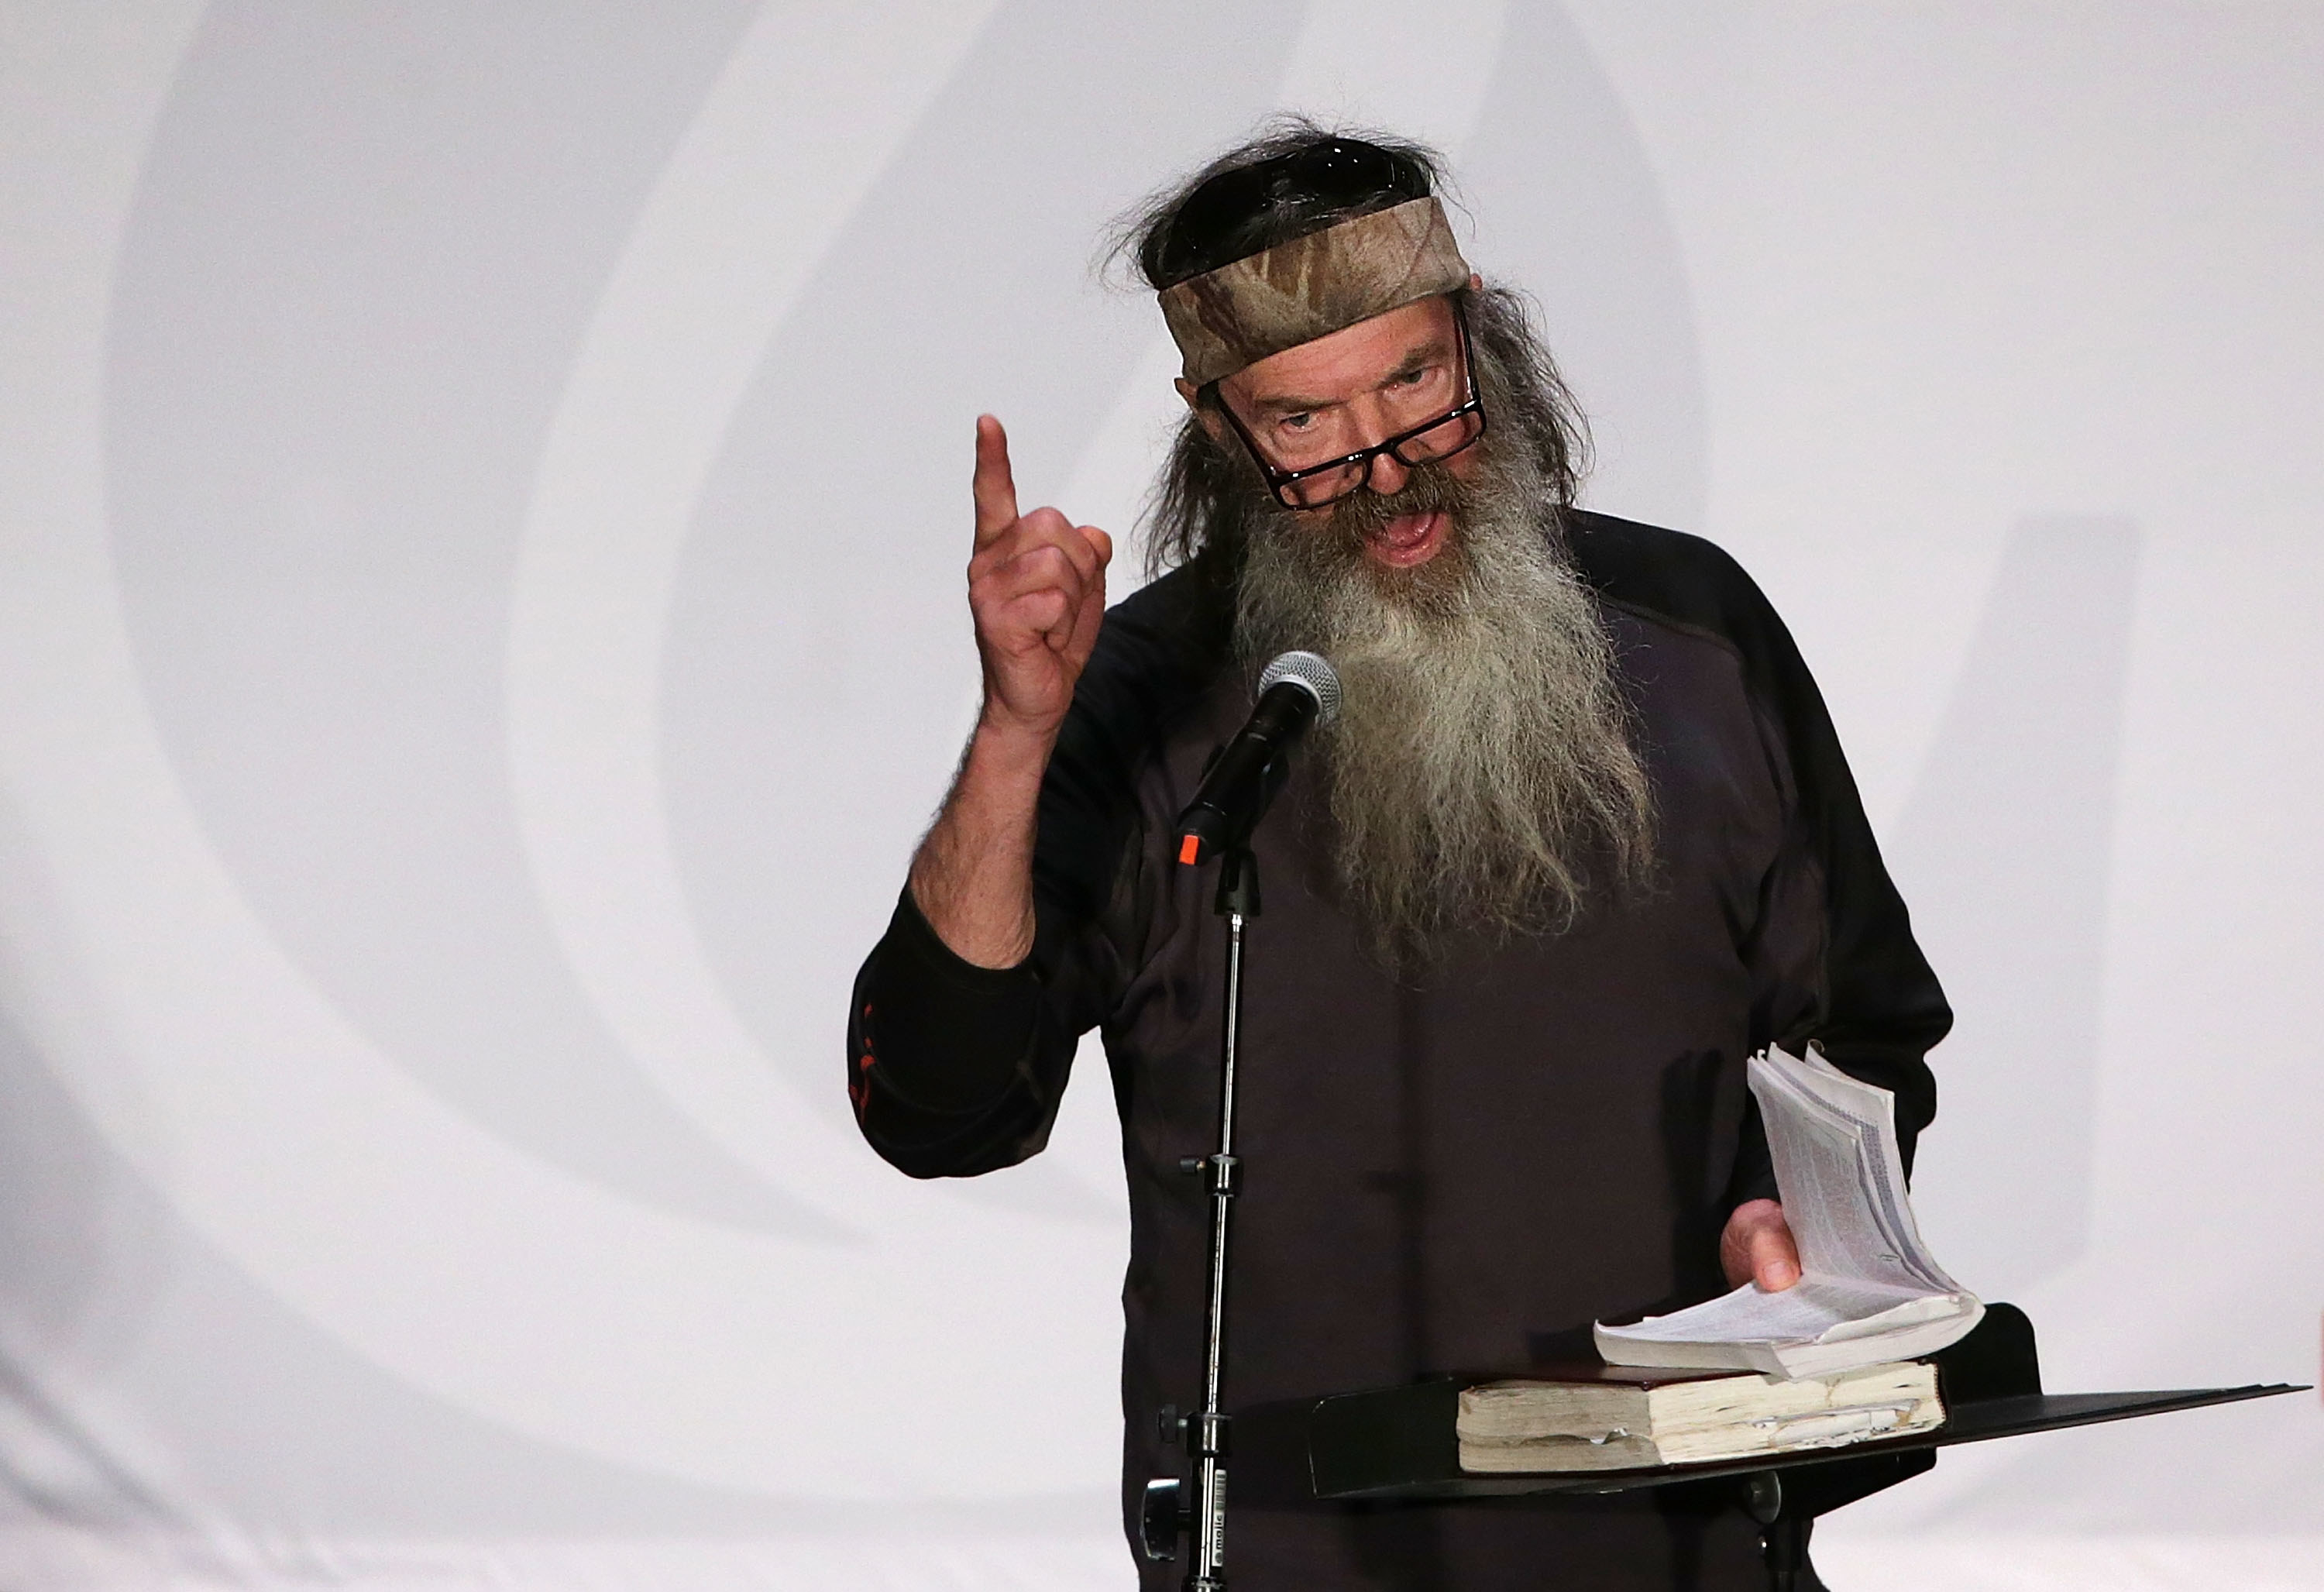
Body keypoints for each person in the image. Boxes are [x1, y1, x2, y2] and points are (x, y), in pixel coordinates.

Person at [845, 124, 1950, 1590]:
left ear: (1475, 329)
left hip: (1684, 1527)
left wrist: (1800, 1223)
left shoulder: (1697, 629)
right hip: (1303, 1547)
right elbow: (944, 1108)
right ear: (1214, 423)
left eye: (1417, 382)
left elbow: (1858, 1029)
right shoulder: (1148, 693)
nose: (1387, 468)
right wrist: (1016, 728)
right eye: (1305, 423)